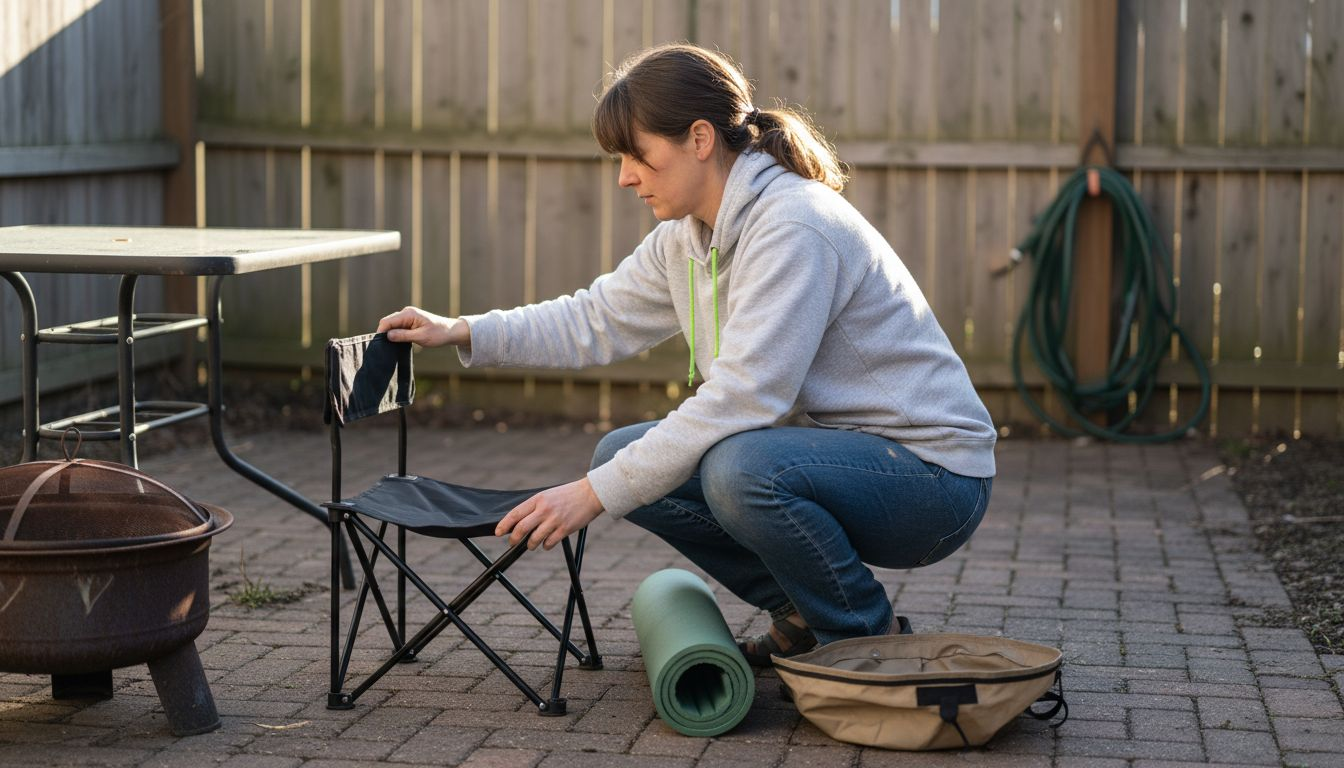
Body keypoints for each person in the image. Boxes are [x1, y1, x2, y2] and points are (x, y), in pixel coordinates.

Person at [377, 43, 996, 666]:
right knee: (624, 455)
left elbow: (745, 398)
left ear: (700, 138)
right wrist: (461, 330)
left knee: (741, 468)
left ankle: (865, 641)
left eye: (637, 155)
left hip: (936, 480)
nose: (624, 176)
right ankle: (802, 612)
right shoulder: (689, 236)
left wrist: (591, 495)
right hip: (861, 460)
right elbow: (595, 318)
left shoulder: (793, 226)